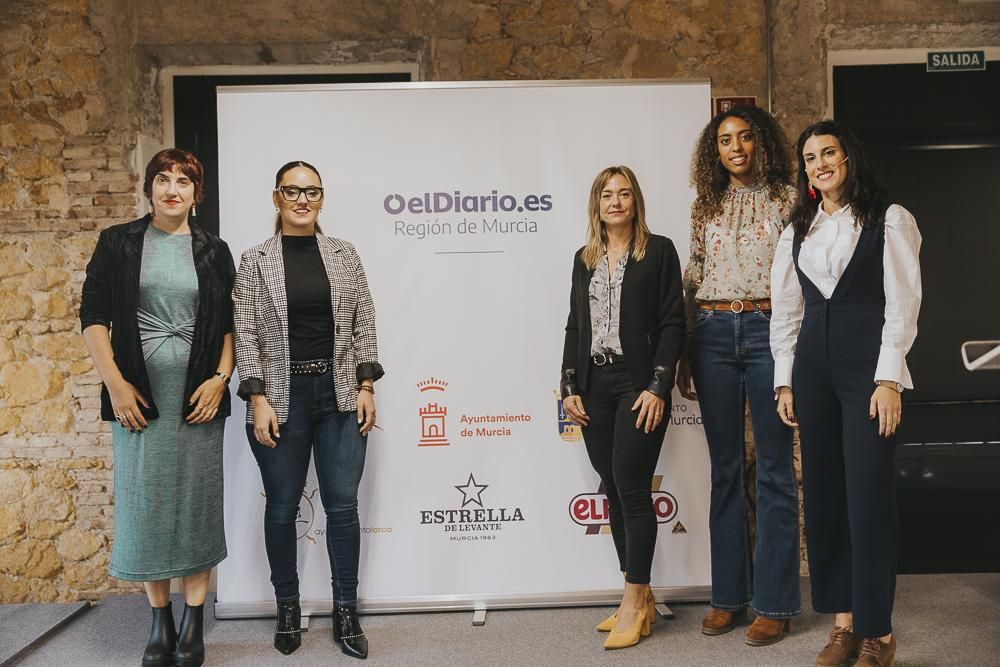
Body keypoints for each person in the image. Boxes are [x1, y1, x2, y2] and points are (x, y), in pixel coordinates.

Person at [771, 120, 921, 667]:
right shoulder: (796, 230)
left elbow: (904, 304)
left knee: (868, 496)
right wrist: (784, 378)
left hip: (867, 367)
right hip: (813, 368)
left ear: (849, 157)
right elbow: (786, 311)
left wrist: (888, 378)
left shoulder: (890, 219)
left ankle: (878, 630)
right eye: (809, 158)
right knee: (828, 498)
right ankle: (843, 624)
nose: (819, 164)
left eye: (828, 152)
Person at [80, 148, 235, 667]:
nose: (173, 189)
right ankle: (160, 622)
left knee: (196, 504)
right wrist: (117, 385)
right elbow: (94, 317)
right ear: (149, 188)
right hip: (139, 398)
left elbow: (229, 326)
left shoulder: (214, 250)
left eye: (184, 181)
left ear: (197, 193)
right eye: (163, 179)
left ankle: (194, 624)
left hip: (197, 398)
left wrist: (220, 378)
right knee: (147, 507)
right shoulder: (118, 243)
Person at [233, 160, 383, 660]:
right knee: (282, 505)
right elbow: (247, 332)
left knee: (343, 506)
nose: (302, 199)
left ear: (322, 198)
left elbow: (364, 320)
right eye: (292, 191)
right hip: (280, 397)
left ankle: (346, 613)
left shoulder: (344, 254)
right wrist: (257, 398)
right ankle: (288, 609)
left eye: (312, 191)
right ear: (276, 197)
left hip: (339, 394)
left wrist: (366, 384)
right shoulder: (255, 260)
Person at [677, 105, 801, 645]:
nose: (736, 147)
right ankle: (728, 596)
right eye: (725, 140)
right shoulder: (705, 204)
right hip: (711, 331)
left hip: (769, 328)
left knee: (774, 467)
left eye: (745, 137)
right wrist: (684, 347)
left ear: (761, 142)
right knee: (725, 469)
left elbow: (801, 274)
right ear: (715, 150)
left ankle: (774, 603)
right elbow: (694, 273)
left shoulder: (789, 200)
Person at [560, 165, 685, 650]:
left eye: (624, 193)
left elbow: (673, 322)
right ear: (597, 203)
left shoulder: (658, 251)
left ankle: (634, 602)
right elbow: (575, 324)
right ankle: (639, 594)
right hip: (594, 384)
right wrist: (569, 383)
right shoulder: (583, 258)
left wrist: (658, 385)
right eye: (606, 194)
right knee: (612, 487)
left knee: (632, 488)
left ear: (636, 202)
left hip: (639, 385)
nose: (615, 201)